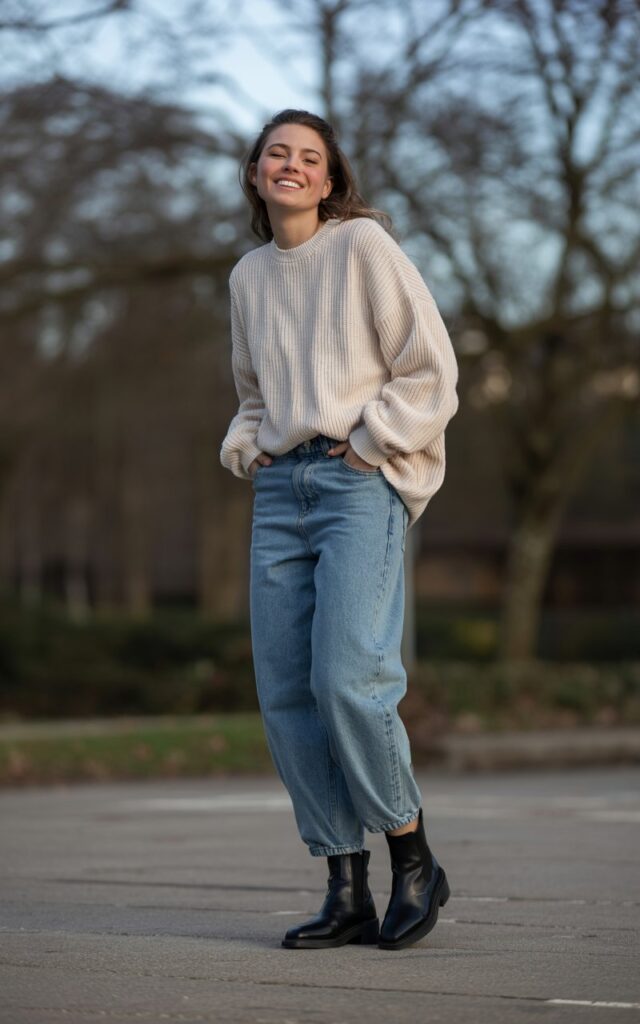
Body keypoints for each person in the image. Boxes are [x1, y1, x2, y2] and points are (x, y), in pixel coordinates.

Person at [220, 108, 459, 951]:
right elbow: (255, 391)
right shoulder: (249, 277)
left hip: (358, 482)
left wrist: (369, 444)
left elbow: (430, 369)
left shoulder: (363, 248)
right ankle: (345, 885)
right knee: (286, 693)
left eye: (308, 157)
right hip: (281, 491)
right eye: (276, 153)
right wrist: (248, 444)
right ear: (255, 172)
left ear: (329, 179)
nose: (291, 165)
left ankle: (416, 859)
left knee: (347, 681)